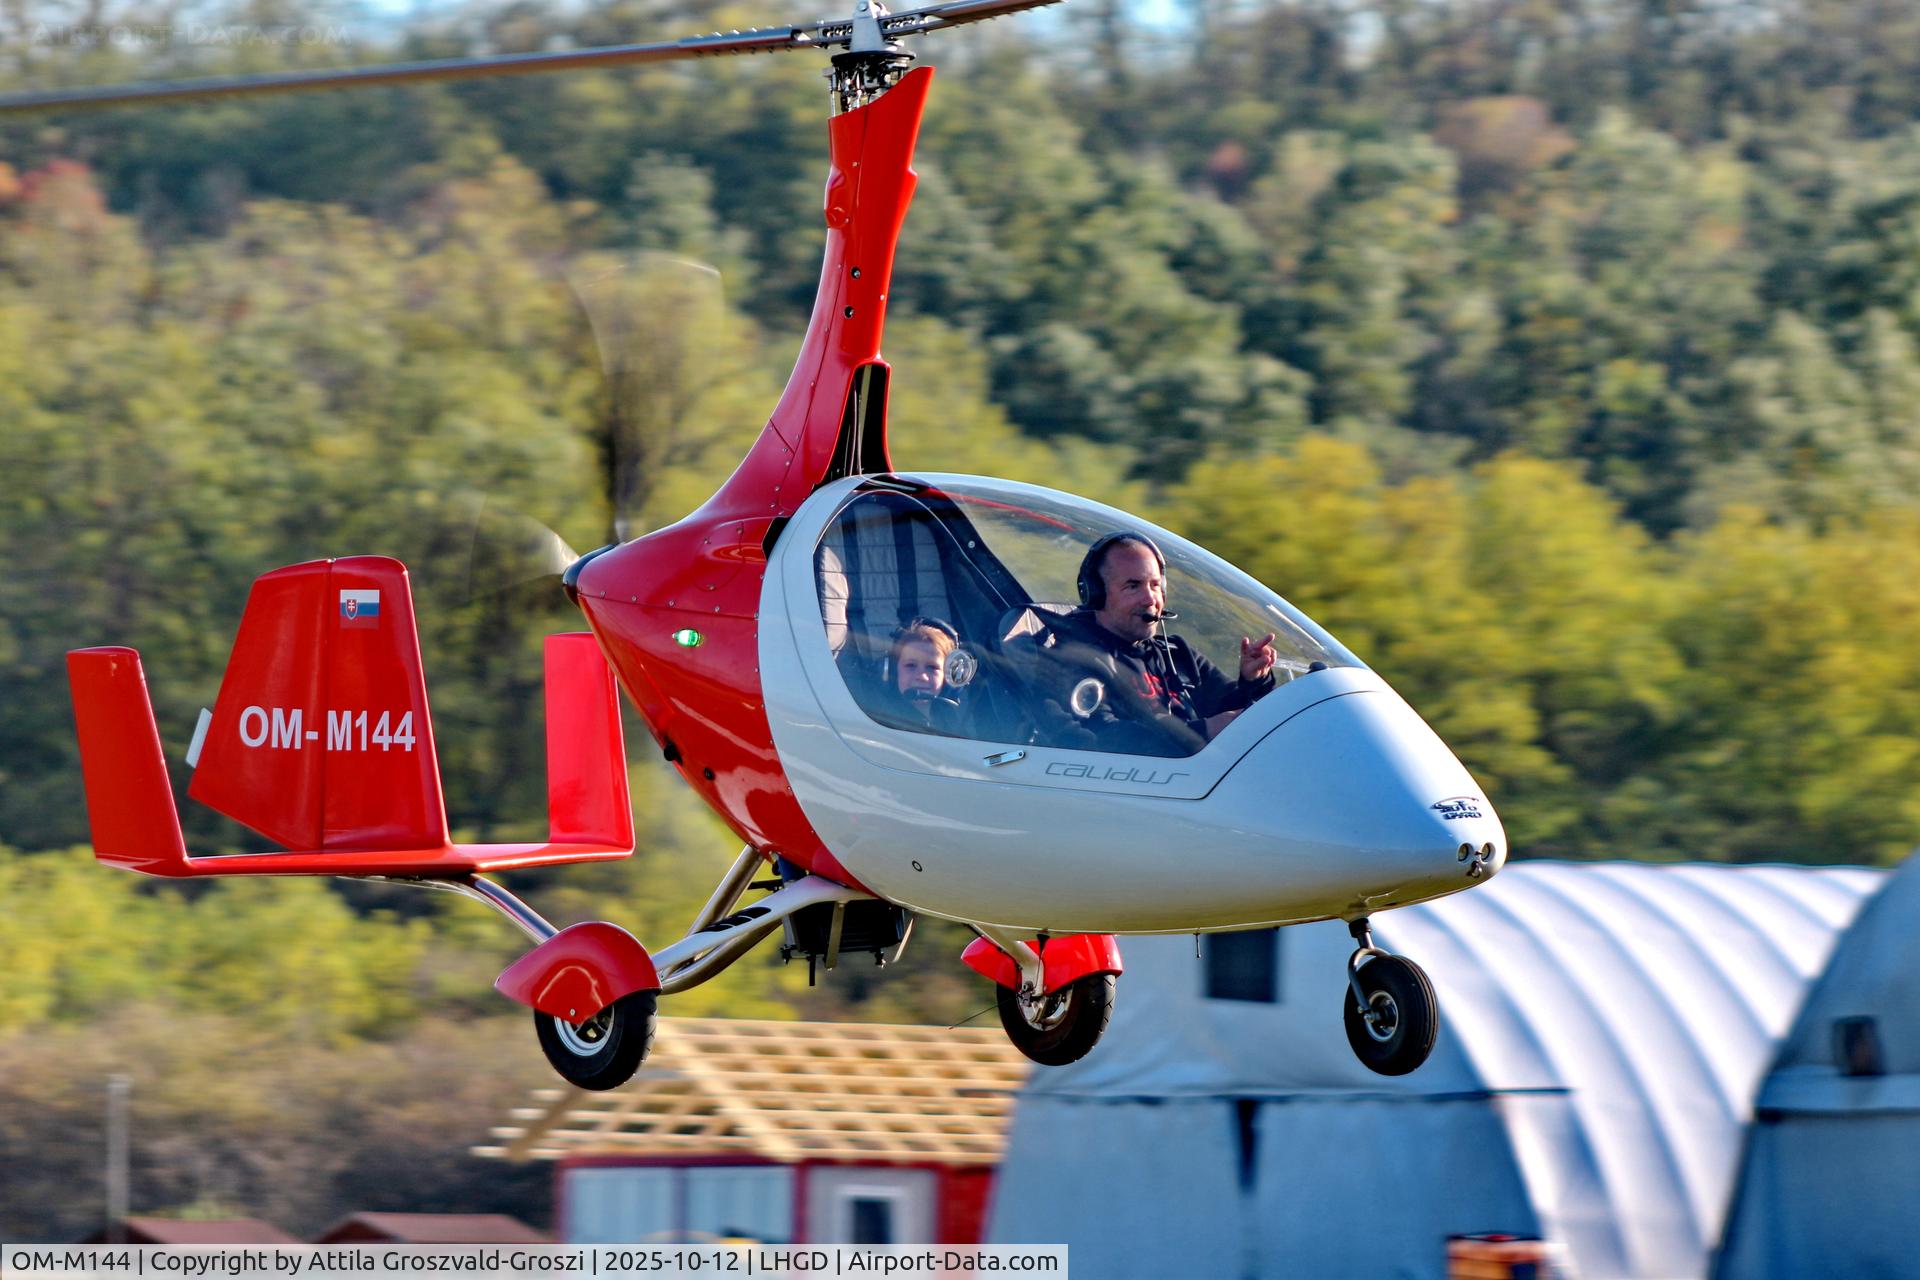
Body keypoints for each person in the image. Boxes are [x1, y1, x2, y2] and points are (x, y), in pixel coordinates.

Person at [1031, 532, 1277, 756]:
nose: (1150, 599)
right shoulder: (1072, 660)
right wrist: (1202, 732)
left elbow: (1232, 711)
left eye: (1155, 585)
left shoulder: (1176, 654)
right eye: (1133, 586)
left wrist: (1254, 680)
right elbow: (1104, 739)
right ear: (1096, 593)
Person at [872, 617, 967, 734]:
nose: (922, 677)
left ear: (949, 677)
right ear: (892, 672)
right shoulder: (882, 724)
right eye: (911, 665)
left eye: (932, 667)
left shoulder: (950, 720)